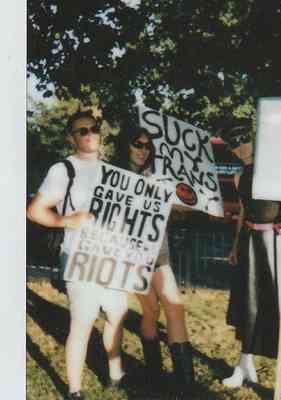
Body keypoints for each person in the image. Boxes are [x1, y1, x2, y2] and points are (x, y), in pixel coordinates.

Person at [27, 110, 129, 400]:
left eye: (93, 128)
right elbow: (34, 210)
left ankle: (115, 374)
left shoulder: (112, 171)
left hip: (113, 257)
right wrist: (65, 221)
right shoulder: (63, 170)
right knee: (83, 322)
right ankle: (74, 390)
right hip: (79, 257)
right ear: (71, 137)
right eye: (81, 131)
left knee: (116, 315)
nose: (89, 134)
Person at [218, 120, 281, 400]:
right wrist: (236, 245)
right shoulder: (240, 176)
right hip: (250, 243)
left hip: (277, 243)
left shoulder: (277, 169)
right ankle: (245, 365)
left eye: (241, 139)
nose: (238, 147)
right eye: (232, 143)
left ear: (253, 136)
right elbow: (241, 212)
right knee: (248, 304)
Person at [112, 122, 195, 398]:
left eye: (148, 146)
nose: (143, 150)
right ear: (126, 145)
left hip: (159, 251)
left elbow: (179, 208)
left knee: (175, 306)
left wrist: (185, 203)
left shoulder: (160, 175)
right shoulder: (114, 176)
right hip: (132, 254)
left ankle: (185, 385)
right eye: (138, 144)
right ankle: (155, 375)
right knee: (151, 311)